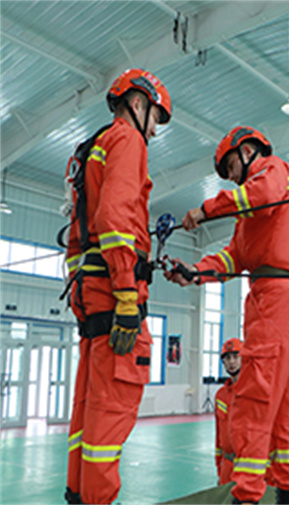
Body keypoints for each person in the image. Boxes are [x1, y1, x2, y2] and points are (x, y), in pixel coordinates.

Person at [164, 126, 289, 504]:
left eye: (230, 167)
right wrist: (194, 271)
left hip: (276, 300)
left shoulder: (273, 171)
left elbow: (261, 195)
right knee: (281, 405)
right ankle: (288, 492)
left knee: (252, 401)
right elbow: (234, 258)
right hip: (277, 299)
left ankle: (246, 495)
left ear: (247, 152)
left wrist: (205, 209)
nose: (230, 177)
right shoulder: (250, 217)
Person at [63, 68, 172, 504]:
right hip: (115, 296)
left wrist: (83, 294)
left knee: (88, 417)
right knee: (110, 418)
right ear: (139, 104)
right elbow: (115, 219)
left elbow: (78, 239)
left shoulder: (92, 149)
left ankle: (78, 495)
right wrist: (127, 292)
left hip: (91, 296)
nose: (154, 131)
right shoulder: (127, 140)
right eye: (155, 119)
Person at [215, 338, 243, 485]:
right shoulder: (221, 396)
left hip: (248, 467)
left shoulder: (255, 392)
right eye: (227, 358)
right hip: (227, 467)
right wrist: (219, 468)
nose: (231, 362)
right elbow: (218, 436)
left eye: (236, 357)